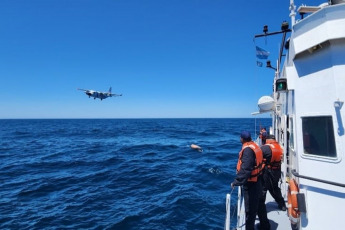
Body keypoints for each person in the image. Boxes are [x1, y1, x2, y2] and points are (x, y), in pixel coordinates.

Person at [231, 131, 264, 230]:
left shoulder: (248, 150)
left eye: (240, 138)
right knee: (259, 204)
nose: (240, 139)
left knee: (250, 210)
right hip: (258, 179)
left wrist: (236, 182)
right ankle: (265, 225)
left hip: (251, 184)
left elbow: (246, 169)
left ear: (243, 139)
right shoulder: (254, 145)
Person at [260, 135, 286, 211]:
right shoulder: (280, 147)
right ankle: (282, 204)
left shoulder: (265, 148)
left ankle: (261, 208)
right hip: (277, 171)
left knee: (263, 188)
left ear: (268, 140)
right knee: (274, 188)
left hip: (267, 171)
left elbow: (257, 155)